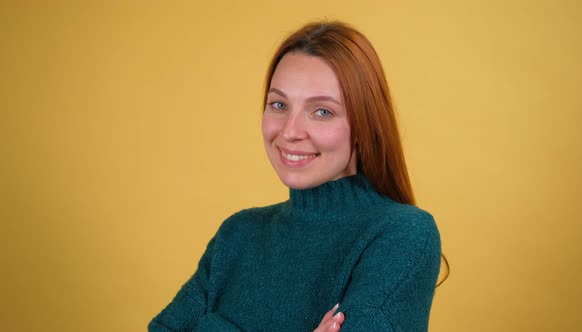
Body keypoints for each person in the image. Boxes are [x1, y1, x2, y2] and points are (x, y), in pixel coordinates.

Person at [148, 20, 447, 332]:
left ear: (364, 124)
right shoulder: (237, 234)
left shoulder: (403, 235)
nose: (289, 132)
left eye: (322, 111)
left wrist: (213, 326)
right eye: (279, 104)